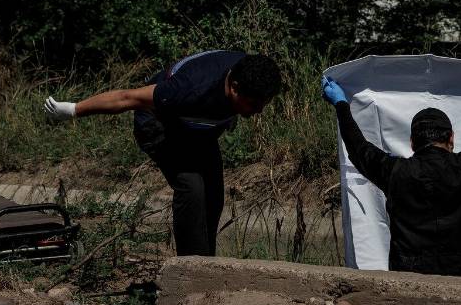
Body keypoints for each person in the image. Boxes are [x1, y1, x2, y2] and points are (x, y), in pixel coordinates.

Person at [320, 56, 461, 279]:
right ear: (451, 138)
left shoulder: (394, 172)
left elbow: (358, 148)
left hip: (412, 286)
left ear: (412, 143)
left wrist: (341, 105)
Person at [44, 51, 282, 256]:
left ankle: (208, 266)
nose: (259, 111)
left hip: (198, 130)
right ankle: (191, 272)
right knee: (192, 187)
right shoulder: (188, 88)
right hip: (159, 127)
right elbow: (127, 98)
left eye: (264, 103)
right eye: (253, 104)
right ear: (234, 88)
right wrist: (74, 110)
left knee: (213, 195)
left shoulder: (251, 73)